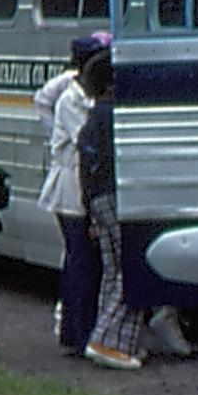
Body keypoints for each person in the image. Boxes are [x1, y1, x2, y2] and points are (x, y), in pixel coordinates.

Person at [76, 48, 147, 370]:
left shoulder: (93, 117)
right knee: (130, 270)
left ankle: (110, 337)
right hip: (118, 195)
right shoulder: (115, 116)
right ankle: (107, 339)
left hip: (96, 198)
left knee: (111, 270)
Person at [37, 31, 107, 354]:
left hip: (80, 186)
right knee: (83, 264)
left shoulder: (85, 95)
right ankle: (81, 334)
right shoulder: (70, 99)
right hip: (71, 190)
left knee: (78, 262)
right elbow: (86, 137)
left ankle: (72, 331)